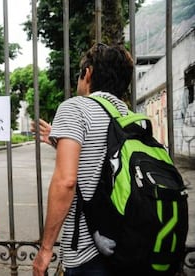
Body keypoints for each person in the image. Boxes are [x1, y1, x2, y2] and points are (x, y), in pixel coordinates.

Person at [32, 43, 134, 276]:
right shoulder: (132, 118)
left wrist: (46, 249)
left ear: (87, 73)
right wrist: (62, 142)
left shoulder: (75, 108)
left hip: (90, 254)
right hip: (131, 248)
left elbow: (66, 182)